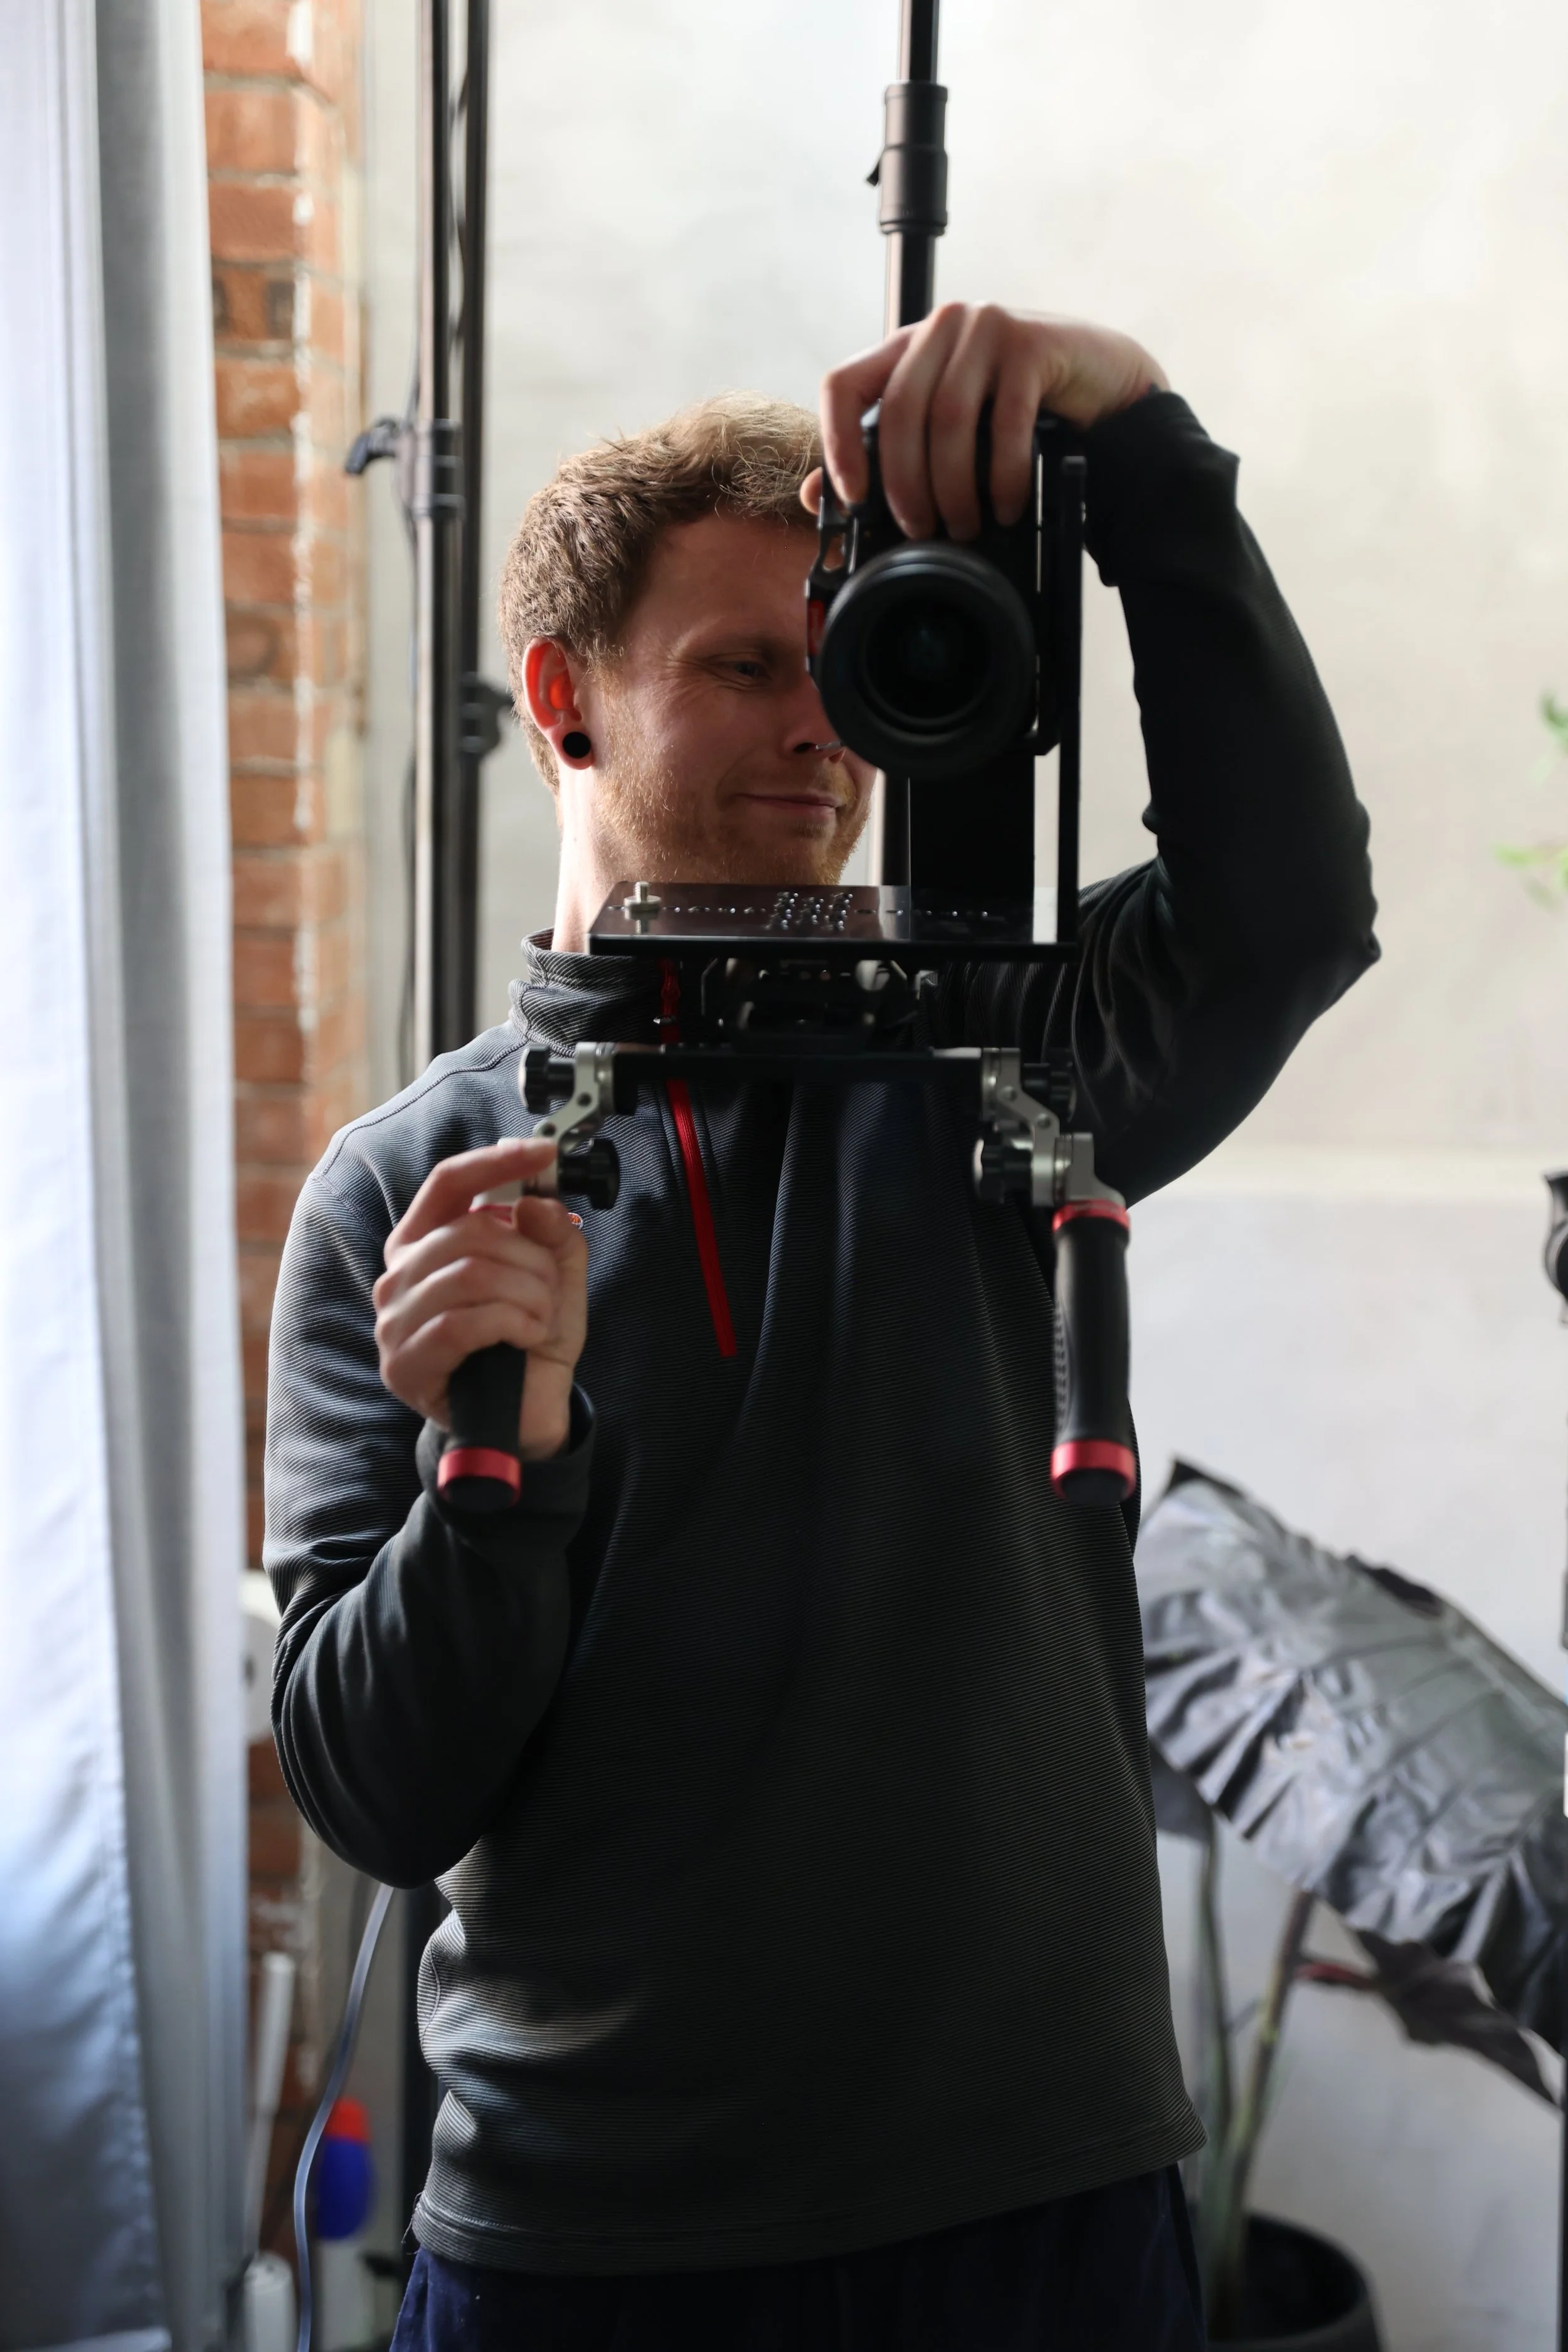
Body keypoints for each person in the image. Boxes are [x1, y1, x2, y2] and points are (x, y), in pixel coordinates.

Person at [265, 304, 1377, 2351]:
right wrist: (486, 1476)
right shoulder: (404, 1186)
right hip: (582, 2232)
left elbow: (1291, 909)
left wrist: (1133, 442)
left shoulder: (1010, 1063)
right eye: (743, 667)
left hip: (1032, 2190)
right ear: (561, 699)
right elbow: (374, 1793)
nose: (822, 729)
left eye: (850, 662)